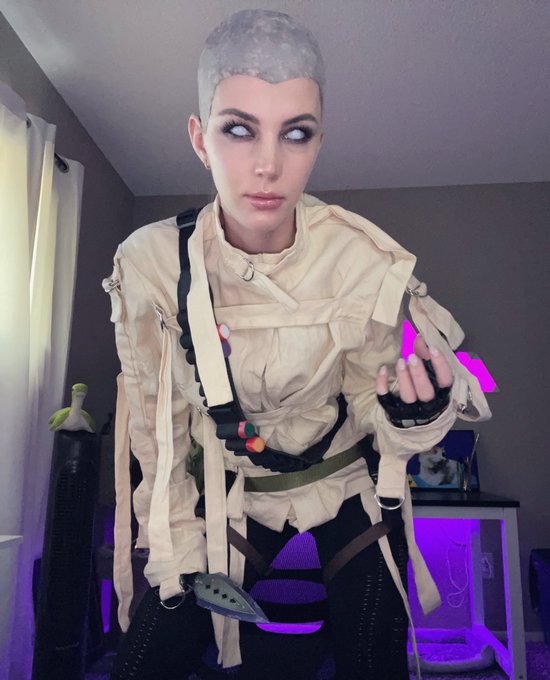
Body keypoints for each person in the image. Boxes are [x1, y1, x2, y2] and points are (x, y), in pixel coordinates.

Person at [103, 10, 490, 680]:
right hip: (233, 489)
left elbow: (371, 404)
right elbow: (156, 436)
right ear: (199, 138)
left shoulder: (361, 259)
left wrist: (412, 416)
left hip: (345, 483)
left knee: (374, 652)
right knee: (149, 655)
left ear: (318, 140)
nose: (268, 165)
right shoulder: (152, 265)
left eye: (296, 133)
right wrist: (177, 557)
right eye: (238, 129)